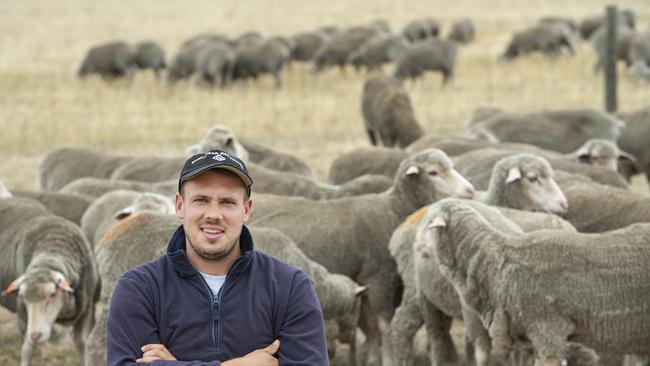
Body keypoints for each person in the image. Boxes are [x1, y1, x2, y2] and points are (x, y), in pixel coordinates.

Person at [106, 150, 329, 366]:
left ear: (246, 209)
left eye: (227, 202)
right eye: (201, 200)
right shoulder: (139, 289)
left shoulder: (289, 288)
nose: (213, 214)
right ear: (180, 206)